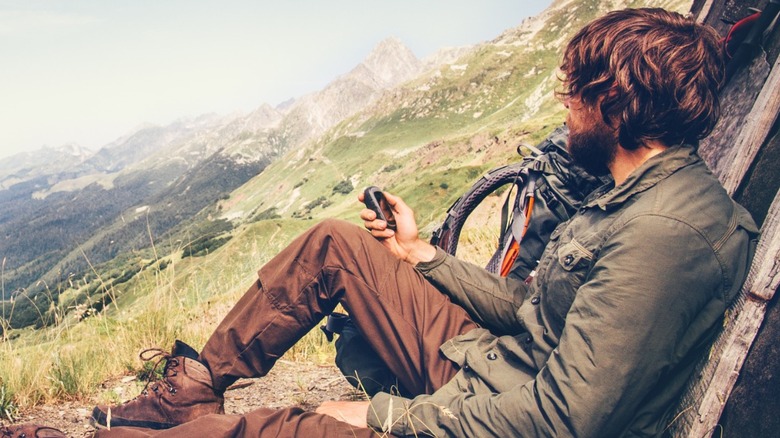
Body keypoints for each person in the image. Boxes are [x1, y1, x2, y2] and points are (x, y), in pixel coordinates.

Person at [83, 7, 756, 438]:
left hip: (498, 406)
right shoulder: (635, 194)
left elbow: (564, 419)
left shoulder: (664, 237)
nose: (565, 108)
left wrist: (384, 415)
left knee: (285, 426)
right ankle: (192, 391)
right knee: (337, 245)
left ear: (615, 104)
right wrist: (422, 258)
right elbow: (536, 316)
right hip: (493, 364)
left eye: (576, 94)